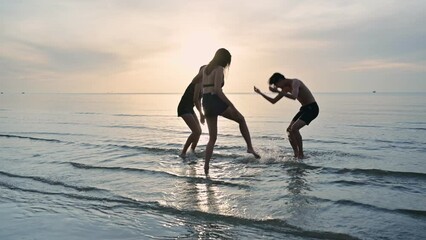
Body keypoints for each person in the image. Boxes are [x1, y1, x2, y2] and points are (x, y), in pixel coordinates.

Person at [202, 48, 260, 174]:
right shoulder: (219, 69)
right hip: (214, 100)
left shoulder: (204, 69)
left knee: (212, 138)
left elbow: (197, 83)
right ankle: (249, 147)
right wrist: (231, 105)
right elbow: (217, 90)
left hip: (205, 102)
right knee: (241, 119)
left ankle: (206, 167)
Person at [254, 72, 319, 159]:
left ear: (281, 80)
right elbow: (273, 101)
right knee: (289, 130)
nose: (279, 88)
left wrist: (277, 91)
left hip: (312, 108)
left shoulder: (295, 82)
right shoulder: (285, 89)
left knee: (295, 128)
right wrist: (260, 93)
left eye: (277, 85)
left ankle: (301, 154)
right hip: (304, 109)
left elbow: (294, 97)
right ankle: (296, 154)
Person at [177, 66, 206, 158]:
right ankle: (183, 153)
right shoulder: (197, 82)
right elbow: (195, 100)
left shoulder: (203, 84)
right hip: (183, 108)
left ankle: (192, 151)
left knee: (199, 131)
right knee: (196, 131)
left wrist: (203, 112)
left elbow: (199, 101)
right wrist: (201, 114)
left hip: (189, 108)